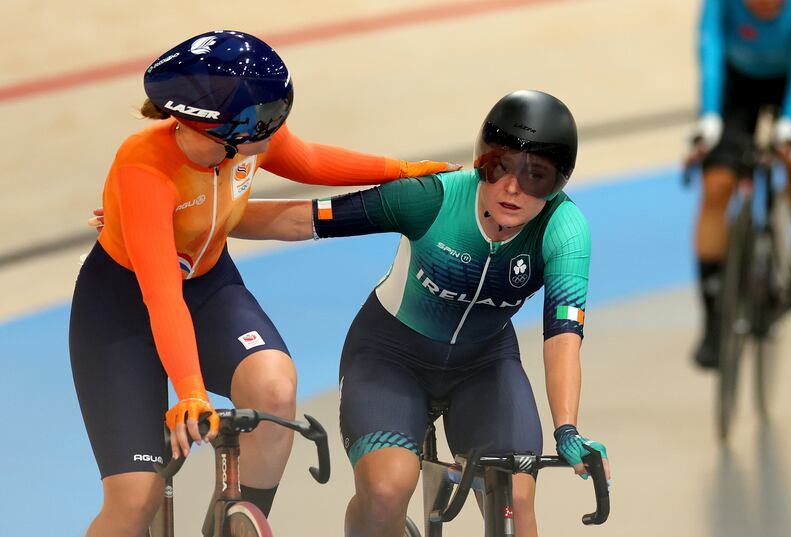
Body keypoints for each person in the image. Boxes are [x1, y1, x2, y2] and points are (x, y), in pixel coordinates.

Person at [69, 29, 457, 537]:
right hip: (121, 311)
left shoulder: (244, 139)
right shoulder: (144, 168)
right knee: (135, 501)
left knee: (274, 388)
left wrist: (402, 170)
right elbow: (162, 295)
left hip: (208, 287)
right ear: (219, 127)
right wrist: (190, 392)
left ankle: (233, 527)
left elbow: (311, 161)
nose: (277, 126)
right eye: (267, 116)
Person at [228, 89, 611, 537]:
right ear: (480, 161)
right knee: (385, 491)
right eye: (500, 167)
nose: (512, 188)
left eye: (536, 177)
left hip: (484, 366)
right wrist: (205, 218)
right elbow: (303, 220)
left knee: (516, 501)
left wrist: (567, 428)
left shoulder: (565, 230)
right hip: (390, 357)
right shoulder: (433, 199)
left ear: (558, 184)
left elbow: (563, 334)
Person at [688, 0, 791, 368]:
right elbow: (711, 48)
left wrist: (790, 122)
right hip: (739, 86)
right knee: (716, 185)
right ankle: (713, 320)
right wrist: (709, 115)